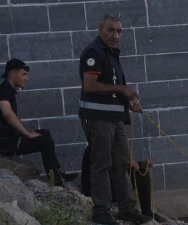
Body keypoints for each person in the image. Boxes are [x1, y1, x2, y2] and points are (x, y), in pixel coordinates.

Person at [78, 15, 151, 225]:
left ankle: (128, 209)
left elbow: (113, 89)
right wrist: (122, 89)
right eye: (111, 30)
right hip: (99, 119)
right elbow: (90, 86)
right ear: (101, 30)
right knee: (102, 165)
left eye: (119, 31)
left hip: (115, 118)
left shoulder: (111, 55)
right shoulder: (94, 52)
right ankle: (101, 211)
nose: (115, 35)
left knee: (121, 164)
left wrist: (128, 101)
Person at [0, 58, 78, 186]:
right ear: (12, 74)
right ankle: (56, 182)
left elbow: (12, 117)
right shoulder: (3, 90)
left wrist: (25, 131)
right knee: (45, 142)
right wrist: (26, 134)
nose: (26, 78)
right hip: (1, 142)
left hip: (8, 137)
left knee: (44, 133)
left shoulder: (7, 90)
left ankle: (57, 173)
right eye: (23, 74)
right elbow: (7, 114)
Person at [80, 145, 167, 223]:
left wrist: (140, 164)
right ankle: (122, 211)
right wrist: (129, 162)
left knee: (142, 173)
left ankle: (147, 212)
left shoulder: (110, 147)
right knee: (135, 173)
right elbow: (112, 168)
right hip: (99, 192)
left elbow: (119, 168)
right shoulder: (97, 148)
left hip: (111, 184)